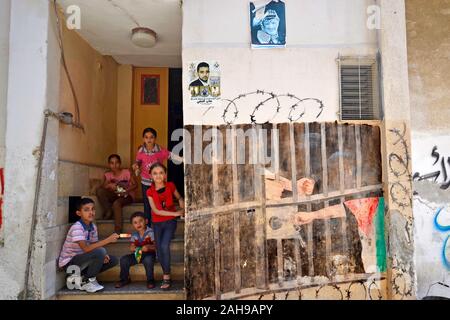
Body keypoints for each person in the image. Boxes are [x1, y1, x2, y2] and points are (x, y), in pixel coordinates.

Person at [58, 198, 119, 293]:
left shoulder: (93, 226)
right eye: (86, 210)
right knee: (101, 251)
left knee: (112, 260)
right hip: (70, 263)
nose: (91, 212)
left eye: (93, 209)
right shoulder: (77, 227)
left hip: (83, 259)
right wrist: (108, 240)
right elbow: (86, 249)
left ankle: (79, 278)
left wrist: (103, 255)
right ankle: (88, 281)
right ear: (79, 213)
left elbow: (94, 245)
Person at [132, 128, 182, 226]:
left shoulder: (160, 150)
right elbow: (138, 161)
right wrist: (136, 166)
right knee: (147, 206)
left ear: (155, 139)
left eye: (151, 137)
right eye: (146, 137)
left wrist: (184, 159)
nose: (149, 139)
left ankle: (162, 224)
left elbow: (171, 155)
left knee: (160, 204)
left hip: (158, 183)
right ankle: (149, 228)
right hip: (146, 182)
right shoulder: (141, 151)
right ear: (143, 139)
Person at [147, 162, 185, 290]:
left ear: (165, 175)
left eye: (161, 173)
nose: (158, 176)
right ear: (151, 176)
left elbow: (178, 196)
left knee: (164, 245)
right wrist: (176, 213)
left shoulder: (170, 185)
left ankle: (166, 276)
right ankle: (165, 271)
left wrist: (180, 200)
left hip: (170, 222)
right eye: (155, 173)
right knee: (159, 248)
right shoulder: (150, 191)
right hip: (157, 222)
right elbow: (157, 211)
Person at [96, 154, 137, 233]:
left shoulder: (126, 172)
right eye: (112, 163)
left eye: (116, 163)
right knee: (100, 191)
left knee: (116, 203)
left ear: (120, 163)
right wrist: (108, 185)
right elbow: (102, 187)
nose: (114, 165)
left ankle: (118, 231)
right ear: (109, 164)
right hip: (115, 195)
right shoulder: (107, 175)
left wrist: (126, 191)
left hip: (127, 196)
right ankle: (108, 211)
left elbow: (135, 185)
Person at [115, 212, 156, 289]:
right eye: (135, 222)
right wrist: (132, 247)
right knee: (124, 259)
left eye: (141, 221)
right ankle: (124, 279)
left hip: (149, 255)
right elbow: (132, 245)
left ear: (146, 221)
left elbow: (156, 246)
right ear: (132, 225)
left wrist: (149, 247)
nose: (138, 224)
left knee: (148, 260)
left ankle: (150, 280)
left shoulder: (151, 232)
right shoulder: (134, 235)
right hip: (138, 254)